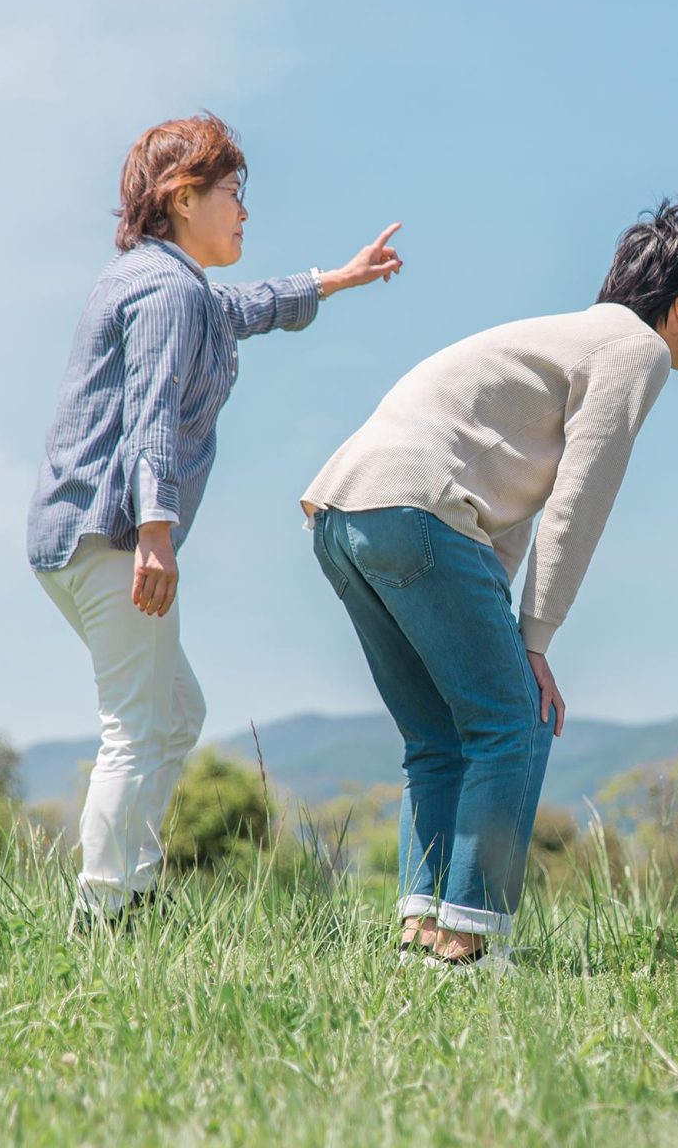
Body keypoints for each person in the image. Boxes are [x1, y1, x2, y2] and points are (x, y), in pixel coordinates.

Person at [302, 200, 678, 971]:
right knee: (517, 721)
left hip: (344, 513)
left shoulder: (561, 338)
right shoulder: (636, 349)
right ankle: (468, 944)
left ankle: (421, 937)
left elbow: (505, 517)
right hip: (418, 510)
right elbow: (579, 498)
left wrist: (507, 626)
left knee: (437, 737)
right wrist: (534, 644)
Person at [28, 113, 404, 930]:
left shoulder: (160, 282)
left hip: (75, 537)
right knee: (138, 725)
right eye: (232, 192)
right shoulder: (166, 292)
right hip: (114, 535)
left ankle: (134, 885)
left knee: (175, 712)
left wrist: (333, 281)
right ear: (182, 196)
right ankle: (105, 910)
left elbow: (241, 308)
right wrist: (155, 532)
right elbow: (151, 414)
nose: (243, 209)